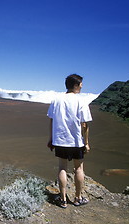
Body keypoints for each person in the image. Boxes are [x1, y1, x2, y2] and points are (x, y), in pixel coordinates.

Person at [47, 74, 92, 208]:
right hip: (77, 141)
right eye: (81, 84)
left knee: (62, 168)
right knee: (78, 168)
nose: (82, 87)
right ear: (76, 85)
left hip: (60, 140)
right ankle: (78, 198)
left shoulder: (56, 100)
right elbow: (85, 124)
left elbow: (52, 120)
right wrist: (86, 142)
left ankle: (63, 199)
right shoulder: (82, 101)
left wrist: (51, 139)